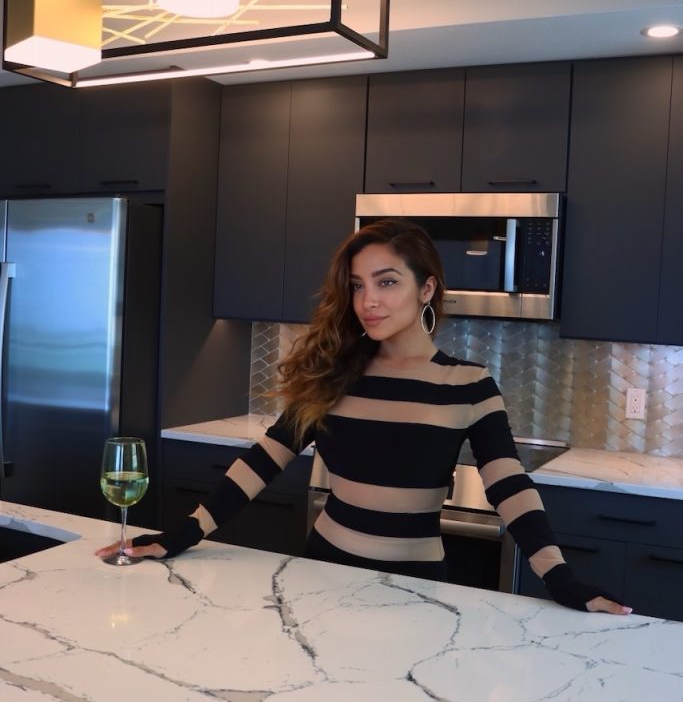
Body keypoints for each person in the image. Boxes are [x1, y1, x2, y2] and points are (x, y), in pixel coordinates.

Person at [97, 219, 632, 615]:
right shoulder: (334, 375)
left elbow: (510, 486)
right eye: (357, 285)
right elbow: (263, 461)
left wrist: (559, 578)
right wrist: (180, 536)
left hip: (417, 588)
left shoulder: (468, 384)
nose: (368, 300)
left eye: (387, 282)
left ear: (426, 289)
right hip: (320, 572)